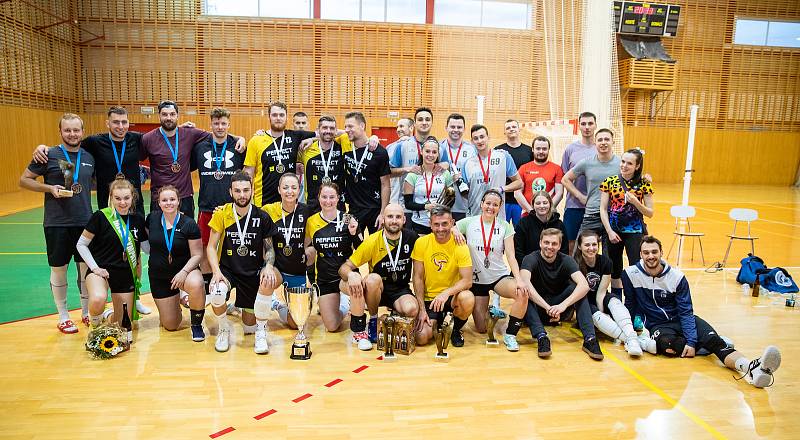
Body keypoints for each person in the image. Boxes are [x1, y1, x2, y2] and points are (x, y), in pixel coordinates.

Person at [31, 107, 153, 316]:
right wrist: (43, 147)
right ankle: (105, 300)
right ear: (108, 123)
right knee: (111, 255)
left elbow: (163, 136)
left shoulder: (137, 139)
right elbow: (69, 147)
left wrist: (185, 128)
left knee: (135, 256)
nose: (120, 126)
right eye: (116, 122)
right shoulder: (95, 142)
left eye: (124, 122)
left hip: (133, 206)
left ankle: (135, 297)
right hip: (108, 208)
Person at [623, 236, 782, 388]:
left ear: (661, 253)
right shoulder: (631, 274)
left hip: (682, 319)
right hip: (658, 325)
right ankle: (708, 345)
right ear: (640, 255)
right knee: (669, 347)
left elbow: (686, 312)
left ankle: (752, 368)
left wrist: (691, 342)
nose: (650, 256)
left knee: (717, 344)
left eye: (654, 252)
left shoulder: (677, 277)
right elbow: (630, 304)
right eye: (646, 252)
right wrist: (630, 332)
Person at [19, 113, 96, 333]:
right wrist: (49, 189)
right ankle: (63, 315)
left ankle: (85, 312)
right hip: (57, 223)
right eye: (67, 130)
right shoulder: (47, 155)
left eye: (76, 130)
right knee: (59, 269)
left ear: (82, 132)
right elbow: (24, 180)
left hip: (85, 222)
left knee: (85, 270)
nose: (72, 134)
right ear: (60, 132)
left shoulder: (89, 156)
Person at [206, 171, 280, 354]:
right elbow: (210, 247)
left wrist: (268, 266)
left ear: (252, 190)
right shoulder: (222, 214)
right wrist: (216, 272)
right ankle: (224, 328)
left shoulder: (262, 216)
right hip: (228, 270)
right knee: (216, 292)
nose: (242, 195)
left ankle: (260, 332)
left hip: (252, 272)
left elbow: (269, 248)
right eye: (237, 191)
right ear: (230, 191)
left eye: (246, 190)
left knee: (249, 327)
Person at [452, 189, 529, 352]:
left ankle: (510, 335)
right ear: (481, 204)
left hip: (498, 277)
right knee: (481, 328)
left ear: (500, 207)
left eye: (495, 204)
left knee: (522, 293)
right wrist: (456, 231)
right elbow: (451, 227)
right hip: (476, 280)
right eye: (488, 203)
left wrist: (519, 280)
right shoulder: (469, 222)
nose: (491, 207)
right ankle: (492, 312)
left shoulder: (504, 227)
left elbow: (511, 255)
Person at [140, 100, 245, 218]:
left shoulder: (189, 133)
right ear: (159, 115)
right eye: (164, 114)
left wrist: (240, 138)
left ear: (177, 115)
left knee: (187, 234)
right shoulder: (147, 138)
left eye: (172, 114)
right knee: (160, 234)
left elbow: (218, 134)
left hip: (184, 197)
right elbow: (139, 159)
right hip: (160, 197)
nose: (169, 118)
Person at [340, 203, 419, 343]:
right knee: (372, 279)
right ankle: (373, 319)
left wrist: (455, 229)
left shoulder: (412, 238)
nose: (394, 220)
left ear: (404, 220)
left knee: (412, 309)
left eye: (398, 217)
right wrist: (351, 275)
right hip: (377, 290)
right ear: (383, 219)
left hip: (400, 290)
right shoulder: (372, 240)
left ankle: (395, 313)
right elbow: (344, 268)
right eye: (390, 217)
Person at [519, 228, 603, 360]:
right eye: (546, 242)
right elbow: (525, 282)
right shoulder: (529, 259)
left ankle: (590, 339)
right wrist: (548, 307)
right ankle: (542, 337)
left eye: (554, 244)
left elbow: (584, 285)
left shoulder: (567, 260)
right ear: (540, 243)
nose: (550, 247)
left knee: (578, 289)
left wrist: (562, 306)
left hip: (559, 308)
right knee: (523, 291)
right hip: (538, 309)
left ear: (559, 245)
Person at [305, 183, 370, 349]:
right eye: (324, 197)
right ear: (319, 198)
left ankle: (359, 331)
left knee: (356, 286)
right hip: (325, 278)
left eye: (332, 197)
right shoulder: (311, 221)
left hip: (345, 275)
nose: (328, 201)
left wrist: (355, 234)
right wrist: (312, 279)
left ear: (338, 198)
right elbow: (306, 251)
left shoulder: (349, 218)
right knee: (332, 326)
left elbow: (361, 249)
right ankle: (344, 305)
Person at [76, 179, 147, 330]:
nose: (122, 202)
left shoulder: (138, 220)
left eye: (126, 198)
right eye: (118, 198)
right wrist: (95, 268)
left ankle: (108, 314)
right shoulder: (101, 217)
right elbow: (81, 244)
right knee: (98, 298)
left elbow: (148, 249)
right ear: (111, 197)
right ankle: (95, 326)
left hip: (124, 274)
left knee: (123, 325)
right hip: (101, 271)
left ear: (133, 197)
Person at [192, 107, 246, 294]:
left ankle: (236, 293)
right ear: (211, 124)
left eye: (224, 123)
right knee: (207, 249)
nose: (220, 127)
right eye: (216, 123)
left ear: (229, 125)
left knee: (236, 250)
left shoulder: (239, 146)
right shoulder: (200, 146)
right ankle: (210, 290)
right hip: (207, 207)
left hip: (232, 209)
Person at [144, 185, 205, 337]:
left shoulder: (189, 223)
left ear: (179, 201)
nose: (168, 203)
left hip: (184, 273)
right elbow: (147, 240)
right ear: (159, 202)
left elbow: (197, 254)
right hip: (160, 277)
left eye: (172, 199)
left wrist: (183, 272)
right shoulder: (152, 219)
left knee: (197, 283)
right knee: (171, 325)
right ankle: (176, 301)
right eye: (164, 200)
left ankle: (196, 324)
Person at [411, 206, 475, 347]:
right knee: (421, 338)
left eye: (445, 224)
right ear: (430, 224)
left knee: (468, 298)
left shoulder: (460, 245)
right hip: (430, 300)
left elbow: (467, 280)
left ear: (452, 223)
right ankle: (439, 323)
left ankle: (454, 329)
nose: (441, 228)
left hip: (451, 298)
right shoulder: (421, 243)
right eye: (436, 224)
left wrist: (446, 293)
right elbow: (417, 278)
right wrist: (421, 309)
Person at [573, 230, 642, 356]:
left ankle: (631, 336)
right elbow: (577, 292)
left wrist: (604, 310)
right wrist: (600, 315)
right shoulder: (574, 263)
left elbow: (601, 292)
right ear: (579, 246)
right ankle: (633, 341)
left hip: (600, 296)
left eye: (594, 244)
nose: (591, 248)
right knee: (594, 312)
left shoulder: (605, 261)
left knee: (614, 301)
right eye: (587, 245)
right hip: (583, 301)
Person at [600, 148, 654, 298]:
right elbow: (603, 209)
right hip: (613, 232)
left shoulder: (644, 184)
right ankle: (617, 301)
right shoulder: (609, 182)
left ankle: (634, 301)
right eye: (623, 161)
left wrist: (636, 202)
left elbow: (650, 213)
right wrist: (609, 231)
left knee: (636, 268)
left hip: (635, 232)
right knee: (614, 269)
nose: (624, 165)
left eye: (629, 163)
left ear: (637, 166)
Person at [244, 101, 316, 207]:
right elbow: (248, 173)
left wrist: (312, 139)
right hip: (264, 203)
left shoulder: (294, 136)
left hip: (290, 203)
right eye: (274, 115)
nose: (278, 118)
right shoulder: (256, 140)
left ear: (287, 117)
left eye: (282, 115)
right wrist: (247, 200)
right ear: (269, 117)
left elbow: (327, 134)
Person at [261, 173, 308, 328]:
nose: (290, 191)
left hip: (297, 271)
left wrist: (350, 219)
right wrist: (224, 209)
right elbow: (246, 212)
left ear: (299, 189)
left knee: (296, 324)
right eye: (285, 187)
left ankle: (278, 305)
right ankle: (261, 320)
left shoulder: (306, 211)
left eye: (294, 187)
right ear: (279, 190)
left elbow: (331, 214)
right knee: (267, 280)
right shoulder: (269, 210)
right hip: (277, 269)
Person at [561, 128, 620, 242]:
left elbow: (633, 179)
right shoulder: (586, 162)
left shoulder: (621, 163)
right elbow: (565, 179)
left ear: (613, 142)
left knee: (610, 257)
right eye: (600, 140)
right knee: (580, 253)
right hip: (592, 213)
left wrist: (646, 178)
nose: (603, 142)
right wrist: (580, 196)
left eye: (607, 139)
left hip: (613, 215)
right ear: (595, 143)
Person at [463, 124, 522, 222]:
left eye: (482, 137)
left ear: (488, 137)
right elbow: (465, 193)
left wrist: (502, 189)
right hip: (475, 217)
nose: (480, 141)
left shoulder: (503, 156)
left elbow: (519, 183)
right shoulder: (468, 163)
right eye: (476, 138)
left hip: (497, 218)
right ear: (472, 142)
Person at [343, 111, 391, 234]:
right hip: (351, 208)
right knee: (347, 243)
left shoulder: (380, 152)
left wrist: (383, 213)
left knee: (378, 247)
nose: (347, 130)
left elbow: (385, 184)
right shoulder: (344, 145)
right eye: (345, 127)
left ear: (362, 126)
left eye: (350, 126)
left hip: (374, 209)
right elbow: (327, 133)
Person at [560, 111, 597, 253]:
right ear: (579, 126)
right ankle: (570, 274)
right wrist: (580, 196)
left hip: (595, 207)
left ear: (595, 125)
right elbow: (565, 178)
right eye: (583, 124)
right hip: (573, 206)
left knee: (592, 244)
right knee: (570, 243)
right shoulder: (571, 149)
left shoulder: (600, 148)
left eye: (590, 123)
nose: (587, 127)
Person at [298, 115, 351, 213]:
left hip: (337, 205)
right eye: (325, 128)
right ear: (318, 130)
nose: (328, 131)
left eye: (332, 128)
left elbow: (353, 134)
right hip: (313, 205)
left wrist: (374, 138)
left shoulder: (342, 146)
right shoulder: (306, 148)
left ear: (336, 130)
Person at [403, 136, 453, 235]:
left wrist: (440, 209)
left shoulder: (445, 174)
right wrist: (426, 206)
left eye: (434, 152)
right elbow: (408, 204)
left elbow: (451, 199)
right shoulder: (413, 175)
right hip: (419, 224)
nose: (430, 155)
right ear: (421, 152)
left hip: (440, 224)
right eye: (427, 151)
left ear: (438, 154)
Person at [390, 108, 434, 220]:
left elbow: (444, 169)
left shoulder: (437, 147)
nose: (424, 122)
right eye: (420, 119)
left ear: (432, 122)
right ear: (414, 123)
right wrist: (406, 169)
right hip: (406, 208)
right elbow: (389, 173)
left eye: (427, 119)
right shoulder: (402, 145)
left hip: (430, 207)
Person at [513, 190, 568, 266]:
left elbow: (564, 250)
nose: (542, 206)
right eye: (538, 203)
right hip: (528, 267)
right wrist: (527, 267)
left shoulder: (559, 224)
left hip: (553, 268)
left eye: (545, 203)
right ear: (533, 205)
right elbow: (518, 250)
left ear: (550, 204)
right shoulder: (523, 223)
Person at [438, 113, 476, 221]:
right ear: (446, 128)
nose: (456, 130)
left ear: (464, 129)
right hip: (441, 203)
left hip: (464, 204)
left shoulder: (472, 150)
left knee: (462, 237)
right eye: (452, 127)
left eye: (459, 127)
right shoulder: (438, 148)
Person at [495, 119, 532, 224]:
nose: (511, 129)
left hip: (522, 201)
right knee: (501, 232)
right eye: (508, 128)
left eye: (514, 127)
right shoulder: (498, 151)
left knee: (520, 233)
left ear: (519, 129)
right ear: (504, 132)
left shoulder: (529, 151)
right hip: (503, 200)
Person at [514, 136, 564, 214]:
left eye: (544, 149)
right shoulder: (523, 168)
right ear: (533, 149)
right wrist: (531, 211)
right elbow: (517, 193)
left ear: (548, 150)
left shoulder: (557, 169)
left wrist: (547, 210)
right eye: (538, 148)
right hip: (528, 214)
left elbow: (560, 193)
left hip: (549, 215)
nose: (541, 151)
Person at [386, 117, 414, 206]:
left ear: (411, 128)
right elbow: (386, 172)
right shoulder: (390, 147)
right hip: (394, 197)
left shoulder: (420, 146)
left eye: (401, 126)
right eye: (397, 127)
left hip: (414, 197)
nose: (398, 130)